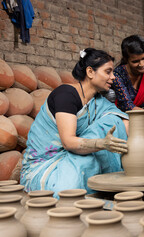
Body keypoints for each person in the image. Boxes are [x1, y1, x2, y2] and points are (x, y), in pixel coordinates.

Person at [20, 48, 129, 196]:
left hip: (73, 156)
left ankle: (104, 187)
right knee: (73, 181)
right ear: (90, 72)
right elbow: (68, 143)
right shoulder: (66, 94)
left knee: (113, 120)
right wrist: (102, 144)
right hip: (46, 165)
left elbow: (123, 122)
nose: (113, 77)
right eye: (108, 72)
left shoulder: (98, 101)